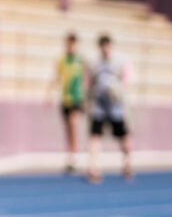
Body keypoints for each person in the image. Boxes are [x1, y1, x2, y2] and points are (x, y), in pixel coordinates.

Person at [86, 34, 133, 184]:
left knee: (123, 135)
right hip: (99, 105)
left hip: (116, 106)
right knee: (95, 136)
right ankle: (94, 168)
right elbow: (88, 83)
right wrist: (88, 100)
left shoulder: (121, 60)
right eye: (103, 46)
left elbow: (128, 81)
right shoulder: (93, 62)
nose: (105, 49)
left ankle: (127, 163)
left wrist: (117, 90)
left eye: (108, 45)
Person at [53, 31, 86, 174]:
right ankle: (70, 157)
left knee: (73, 125)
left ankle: (75, 156)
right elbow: (58, 77)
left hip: (77, 98)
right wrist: (49, 93)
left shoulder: (81, 60)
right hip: (65, 98)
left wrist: (86, 98)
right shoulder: (61, 60)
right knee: (67, 128)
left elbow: (86, 80)